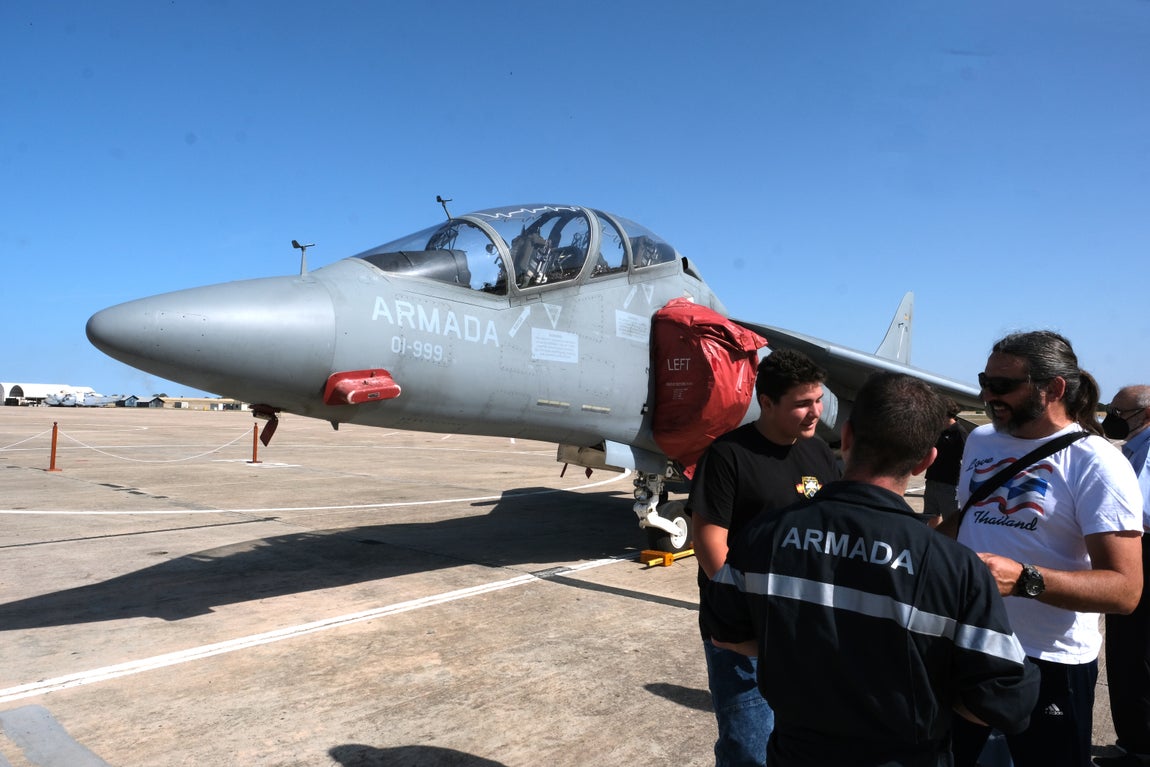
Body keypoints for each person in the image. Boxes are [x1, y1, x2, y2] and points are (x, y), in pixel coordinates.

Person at [701, 372, 1040, 766]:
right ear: (926, 461)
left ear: (845, 438)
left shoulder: (764, 537)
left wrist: (795, 657)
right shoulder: (955, 568)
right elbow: (1008, 701)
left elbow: (723, 632)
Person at [948, 331, 1144, 767]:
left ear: (1053, 388)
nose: (987, 395)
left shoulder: (1097, 463)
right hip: (968, 645)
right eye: (985, 381)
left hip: (1048, 662)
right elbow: (970, 524)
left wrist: (1023, 579)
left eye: (1002, 386)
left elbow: (1125, 590)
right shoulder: (980, 441)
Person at [688, 349, 841, 767]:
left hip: (805, 628)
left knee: (804, 743)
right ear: (767, 402)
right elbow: (708, 542)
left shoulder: (821, 455)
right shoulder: (728, 456)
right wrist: (741, 619)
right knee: (748, 746)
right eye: (802, 404)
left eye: (818, 400)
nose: (815, 413)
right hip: (744, 632)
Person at [1096, 385, 1150, 767]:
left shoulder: (1146, 451)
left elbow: (1138, 513)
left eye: (1120, 411)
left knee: (1132, 655)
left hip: (1141, 555)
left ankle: (1138, 749)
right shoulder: (1137, 446)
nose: (1111, 417)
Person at [923, 397, 967, 526]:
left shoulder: (959, 432)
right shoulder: (937, 430)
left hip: (950, 485)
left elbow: (966, 458)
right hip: (932, 480)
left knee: (951, 520)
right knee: (930, 516)